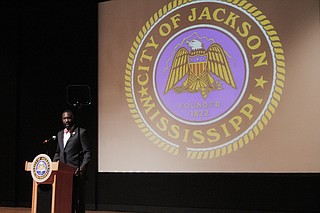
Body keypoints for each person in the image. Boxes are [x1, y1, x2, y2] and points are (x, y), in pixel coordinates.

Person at [53, 110, 92, 213]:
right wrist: (53, 166)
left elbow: (87, 153)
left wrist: (82, 167)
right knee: (65, 200)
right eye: (64, 118)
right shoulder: (60, 134)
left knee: (77, 201)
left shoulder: (81, 132)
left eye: (68, 118)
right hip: (62, 174)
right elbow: (58, 152)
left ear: (73, 118)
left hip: (76, 173)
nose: (67, 120)